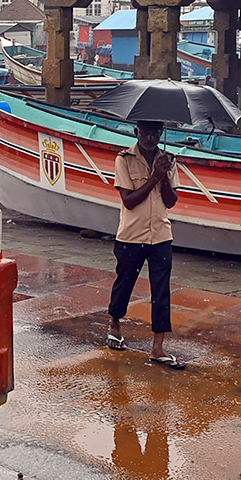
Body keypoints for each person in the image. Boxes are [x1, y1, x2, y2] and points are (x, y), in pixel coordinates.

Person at [106, 120, 182, 368]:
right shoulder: (124, 159)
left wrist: (165, 178)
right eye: (145, 132)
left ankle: (158, 346)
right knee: (124, 283)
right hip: (131, 234)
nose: (150, 137)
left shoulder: (169, 160)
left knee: (161, 291)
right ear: (136, 132)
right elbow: (129, 201)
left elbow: (170, 202)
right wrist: (154, 177)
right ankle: (115, 324)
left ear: (161, 134)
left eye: (155, 133)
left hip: (160, 234)